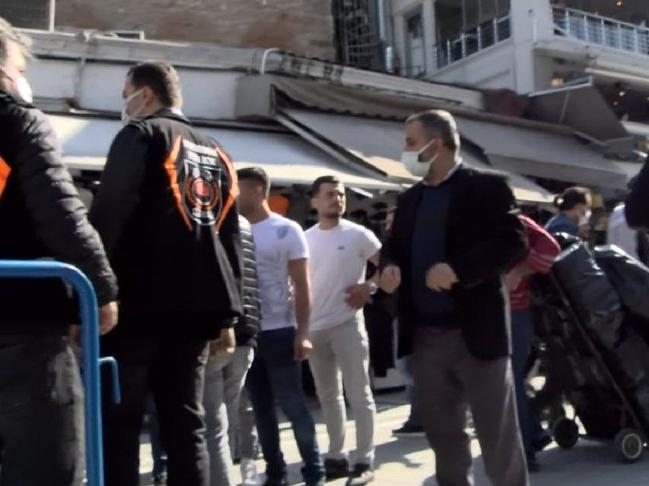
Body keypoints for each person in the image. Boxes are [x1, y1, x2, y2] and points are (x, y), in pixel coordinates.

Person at [90, 61, 242, 486]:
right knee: (185, 422)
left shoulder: (140, 134)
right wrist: (231, 314)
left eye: (126, 95)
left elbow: (109, 213)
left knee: (120, 423)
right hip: (196, 312)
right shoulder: (217, 151)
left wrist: (92, 289)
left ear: (146, 95)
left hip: (138, 306)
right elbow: (230, 235)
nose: (124, 104)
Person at [380, 109, 529, 486]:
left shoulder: (487, 188)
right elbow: (393, 246)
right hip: (425, 337)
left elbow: (513, 243)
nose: (405, 150)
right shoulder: (409, 199)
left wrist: (460, 270)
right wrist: (390, 266)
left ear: (437, 146)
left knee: (497, 437)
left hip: (476, 334)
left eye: (411, 142)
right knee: (443, 436)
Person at [0, 17, 119, 486]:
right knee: (46, 464)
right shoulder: (17, 119)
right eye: (18, 67)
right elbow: (59, 210)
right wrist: (101, 288)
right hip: (21, 324)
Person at [237, 167, 325, 486]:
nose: (234, 196)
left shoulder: (286, 230)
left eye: (239, 189)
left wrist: (303, 332)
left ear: (258, 190)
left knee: (292, 404)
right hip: (249, 332)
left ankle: (314, 470)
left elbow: (302, 285)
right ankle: (275, 473)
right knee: (260, 408)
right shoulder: (233, 229)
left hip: (281, 331)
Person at [306, 176, 381, 485]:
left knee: (359, 393)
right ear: (314, 201)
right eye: (329, 194)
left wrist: (370, 287)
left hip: (347, 324)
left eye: (340, 195)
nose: (337, 199)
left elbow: (389, 265)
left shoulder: (358, 234)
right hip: (314, 327)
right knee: (328, 396)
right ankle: (336, 456)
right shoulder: (305, 238)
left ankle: (364, 459)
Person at [203, 214, 261, 486]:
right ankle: (246, 470)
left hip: (216, 332)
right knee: (236, 408)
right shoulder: (244, 225)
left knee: (214, 423)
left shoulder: (204, 219)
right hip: (246, 330)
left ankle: (222, 477)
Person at [504, 215, 560, 472]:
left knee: (508, 382)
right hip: (493, 316)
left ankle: (525, 446)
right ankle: (532, 435)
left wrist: (517, 271)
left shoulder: (514, 221)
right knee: (507, 382)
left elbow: (550, 249)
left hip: (513, 314)